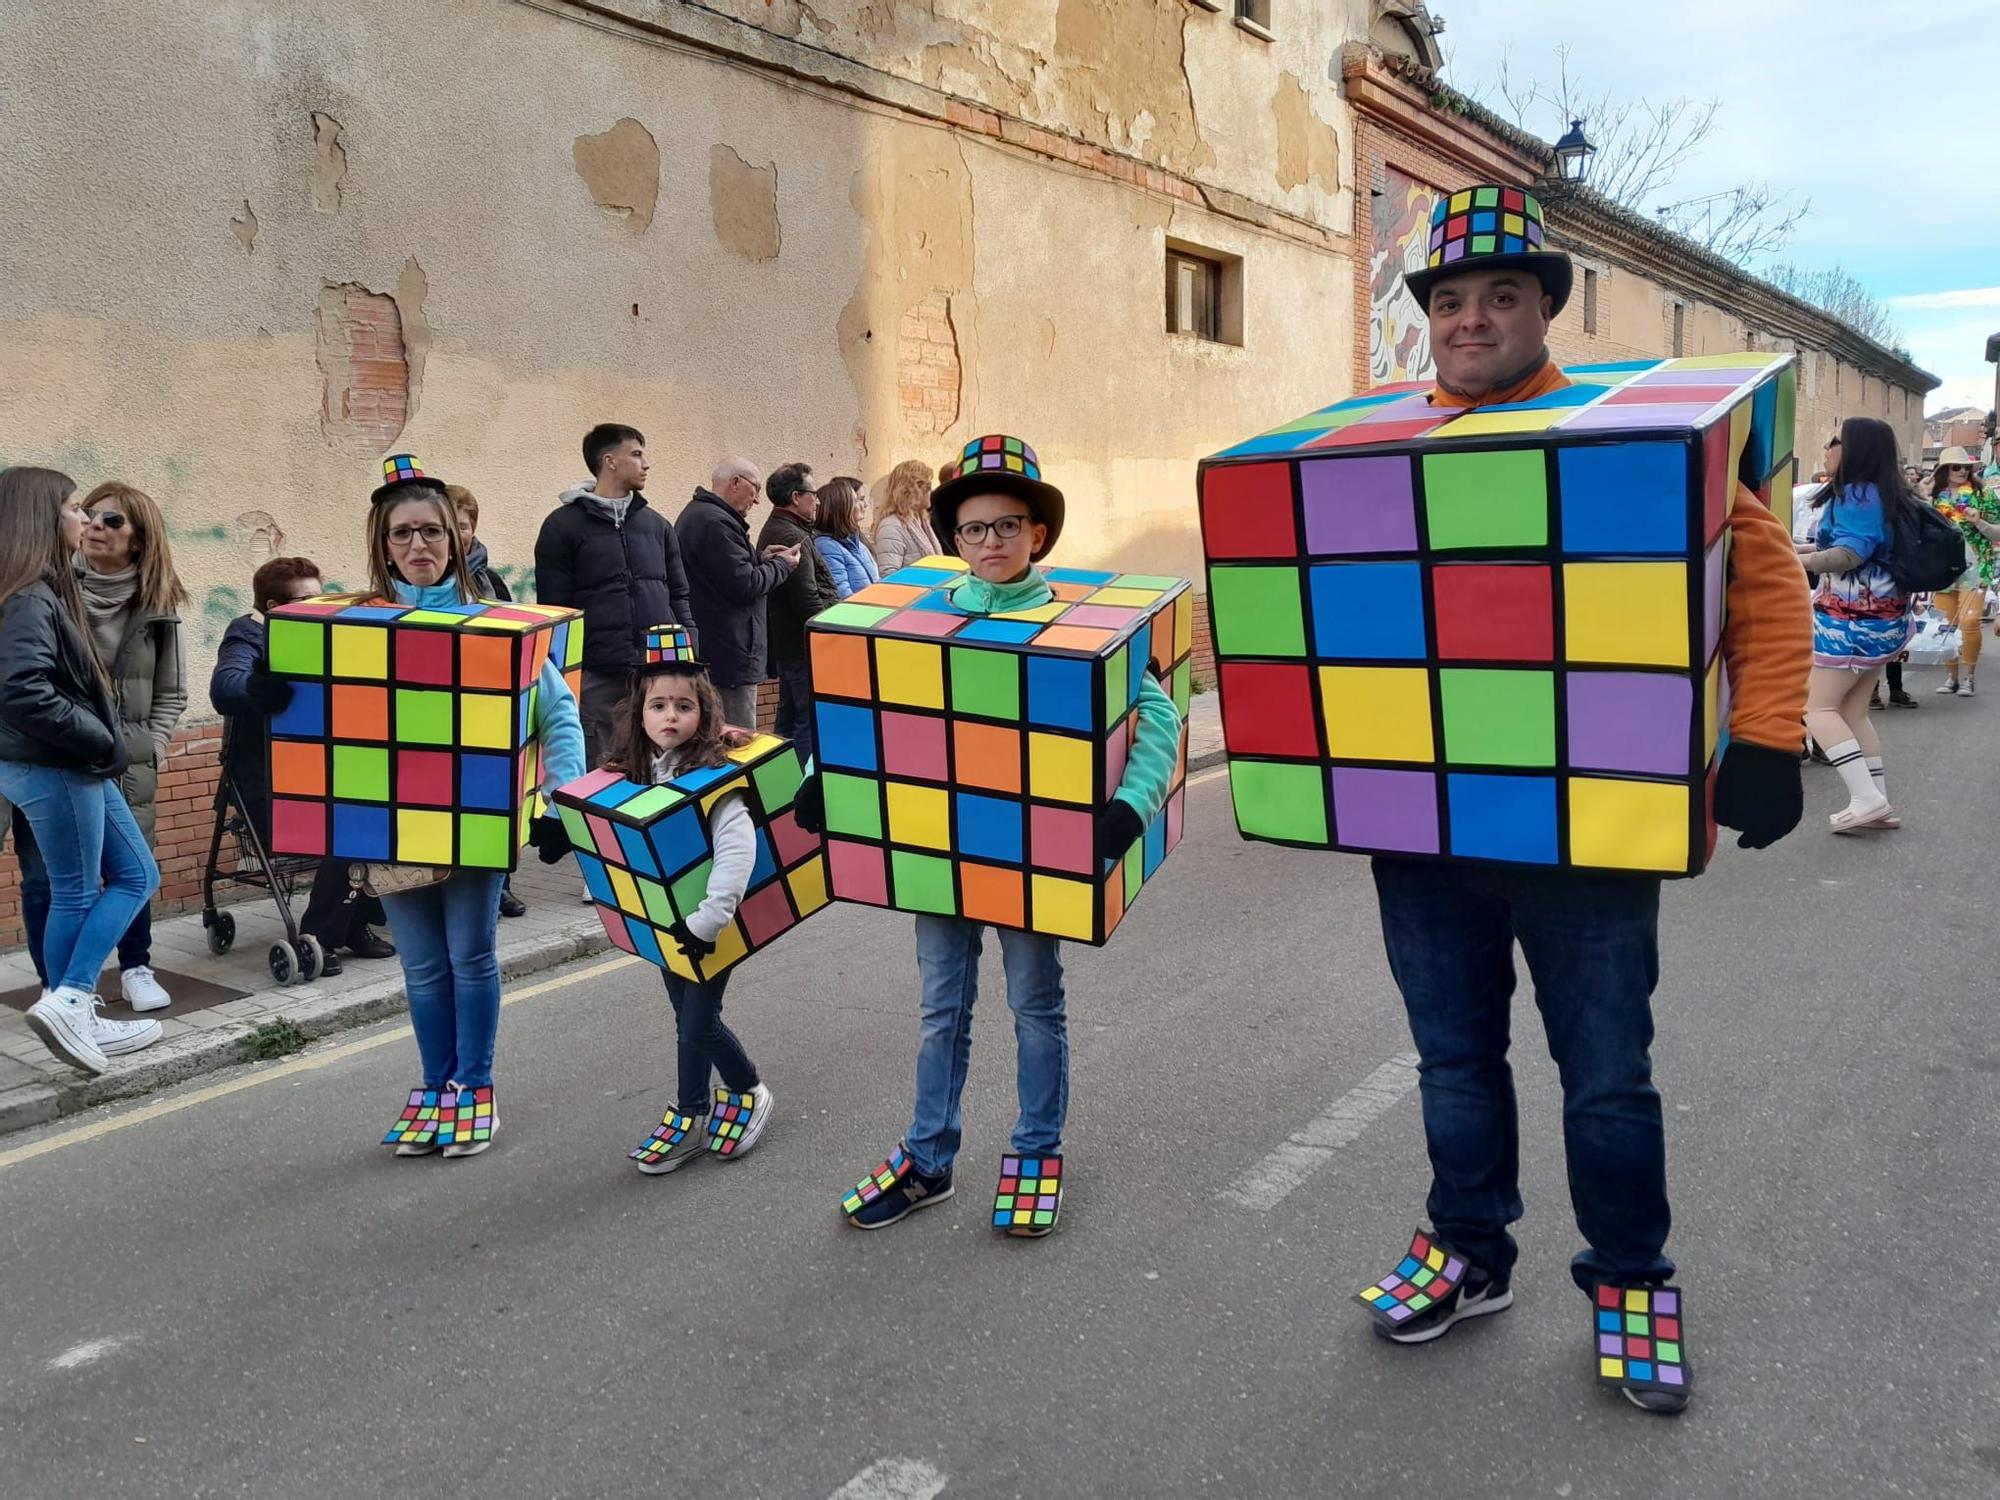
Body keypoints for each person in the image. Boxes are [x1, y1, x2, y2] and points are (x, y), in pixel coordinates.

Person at [1351, 186, 1812, 1416]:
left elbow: (1760, 585)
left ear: (1545, 308)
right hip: (1425, 827)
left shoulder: (1638, 427)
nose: (1470, 318)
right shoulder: (1375, 444)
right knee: (1452, 1062)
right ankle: (1468, 1251)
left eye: (1500, 294)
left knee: (1604, 1071)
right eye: (1448, 299)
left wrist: (1763, 738)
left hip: (1588, 822)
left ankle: (1628, 1281)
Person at [800, 434, 1183, 1238]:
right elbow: (866, 713)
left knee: (1034, 1005)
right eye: (974, 529)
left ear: (1037, 533)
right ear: (955, 537)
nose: (991, 543)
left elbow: (1154, 713)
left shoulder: (1078, 621)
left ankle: (1037, 1151)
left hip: (1033, 857)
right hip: (939, 851)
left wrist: (1132, 802)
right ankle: (928, 1159)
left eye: (1008, 525)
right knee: (943, 1009)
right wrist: (823, 783)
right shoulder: (921, 616)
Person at [361, 457, 586, 1158]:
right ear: (382, 544)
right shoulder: (356, 626)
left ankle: (475, 1087)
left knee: (470, 956)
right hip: (391, 822)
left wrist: (560, 801)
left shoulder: (495, 625)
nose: (418, 545)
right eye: (402, 534)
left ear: (455, 540)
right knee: (422, 967)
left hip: (475, 818)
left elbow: (560, 716)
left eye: (431, 530)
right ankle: (435, 1086)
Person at [0, 467, 161, 1075]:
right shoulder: (28, 597)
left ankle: (76, 1008)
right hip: (56, 765)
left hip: (62, 763)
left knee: (136, 873)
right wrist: (99, 739)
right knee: (75, 889)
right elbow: (22, 691)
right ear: (43, 517)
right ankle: (69, 1001)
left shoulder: (36, 587)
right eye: (74, 507)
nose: (86, 519)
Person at [605, 660, 775, 1174]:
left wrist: (708, 921)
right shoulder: (637, 771)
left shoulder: (715, 776)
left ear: (704, 714)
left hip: (710, 925)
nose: (670, 716)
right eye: (658, 705)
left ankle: (747, 1089)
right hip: (667, 920)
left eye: (684, 705)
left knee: (698, 1023)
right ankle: (695, 1109)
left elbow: (737, 854)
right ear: (640, 715)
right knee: (686, 1021)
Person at [209, 555, 396, 976]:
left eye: (322, 599)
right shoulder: (248, 636)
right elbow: (226, 686)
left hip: (324, 772)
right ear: (275, 608)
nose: (320, 608)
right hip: (269, 785)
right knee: (344, 834)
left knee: (377, 819)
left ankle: (354, 925)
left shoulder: (321, 637)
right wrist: (258, 689)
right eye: (308, 601)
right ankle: (320, 939)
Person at [534, 423, 697, 769]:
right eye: (636, 454)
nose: (645, 463)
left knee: (659, 768)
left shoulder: (657, 526)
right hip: (597, 676)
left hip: (656, 674)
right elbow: (555, 611)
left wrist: (689, 654)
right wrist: (567, 674)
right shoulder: (562, 527)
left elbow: (679, 596)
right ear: (609, 461)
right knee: (601, 770)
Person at [1800, 417, 1919, 832]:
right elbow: (1841, 545)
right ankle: (1878, 801)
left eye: (1835, 440)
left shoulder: (1857, 494)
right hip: (1883, 623)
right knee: (1852, 711)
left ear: (1855, 449)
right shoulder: (1883, 494)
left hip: (1851, 626)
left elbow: (1848, 555)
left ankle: (1865, 798)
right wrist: (1796, 547)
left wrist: (1791, 561)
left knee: (1815, 708)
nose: (1828, 447)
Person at [449, 484, 526, 919]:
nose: (458, 534)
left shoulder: (489, 578)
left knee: (495, 799)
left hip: (492, 701)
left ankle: (500, 886)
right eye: (450, 526)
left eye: (464, 525)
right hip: (452, 705)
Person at [678, 457, 799, 731]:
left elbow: (728, 572)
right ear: (735, 482)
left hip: (722, 650)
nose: (757, 501)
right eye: (755, 489)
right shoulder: (715, 523)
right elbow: (745, 584)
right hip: (729, 653)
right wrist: (783, 565)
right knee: (739, 740)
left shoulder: (705, 516)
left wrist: (760, 559)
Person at [756, 462, 840, 757]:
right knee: (806, 721)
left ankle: (784, 779)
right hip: (805, 645)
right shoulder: (791, 535)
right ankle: (803, 783)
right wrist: (830, 637)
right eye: (813, 493)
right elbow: (807, 599)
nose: (817, 500)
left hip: (792, 645)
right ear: (796, 496)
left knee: (789, 717)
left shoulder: (784, 527)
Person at [1925, 448, 1994, 697]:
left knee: (1970, 622)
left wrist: (1980, 522)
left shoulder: (1982, 494)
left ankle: (1970, 677)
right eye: (1955, 466)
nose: (1962, 470)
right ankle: (1951, 677)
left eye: (1966, 467)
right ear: (1944, 470)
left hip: (1976, 567)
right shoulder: (1933, 497)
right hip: (1942, 568)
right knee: (1945, 625)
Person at [871, 459, 943, 574]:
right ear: (913, 489)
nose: (931, 490)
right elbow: (888, 575)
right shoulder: (891, 526)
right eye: (928, 486)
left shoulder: (922, 521)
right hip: (916, 591)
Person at [813, 476, 881, 599]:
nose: (864, 505)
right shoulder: (826, 546)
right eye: (856, 500)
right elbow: (843, 596)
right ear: (842, 507)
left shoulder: (855, 541)